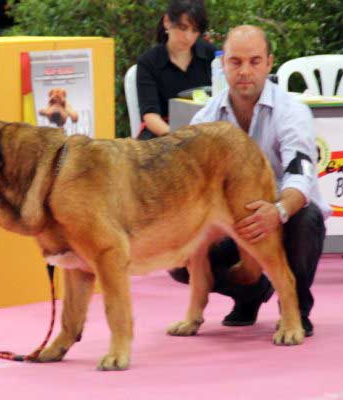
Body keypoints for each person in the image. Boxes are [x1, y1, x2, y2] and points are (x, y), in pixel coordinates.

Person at [169, 25, 331, 337]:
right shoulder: (205, 119)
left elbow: (302, 174)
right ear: (222, 65)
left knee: (305, 218)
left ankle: (295, 309)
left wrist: (278, 211)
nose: (245, 71)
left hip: (282, 213)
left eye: (254, 62)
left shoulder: (292, 112)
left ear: (269, 63)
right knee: (179, 255)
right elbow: (191, 186)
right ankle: (248, 296)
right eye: (236, 62)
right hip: (231, 222)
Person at [135, 0, 215, 140]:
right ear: (167, 21)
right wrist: (179, 139)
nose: (188, 37)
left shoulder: (210, 55)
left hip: (205, 132)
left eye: (194, 31)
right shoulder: (148, 62)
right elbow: (151, 116)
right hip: (163, 134)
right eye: (183, 28)